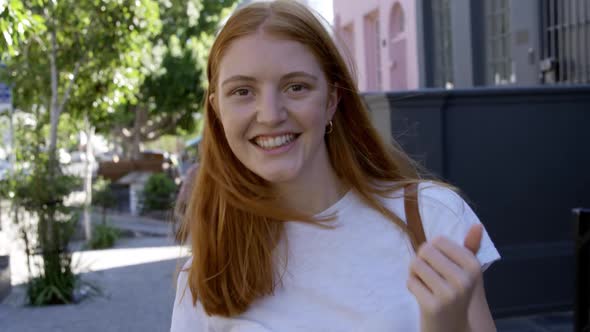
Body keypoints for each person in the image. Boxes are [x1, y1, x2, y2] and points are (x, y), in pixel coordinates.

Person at [171, 1, 500, 331]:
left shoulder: (432, 218)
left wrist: (447, 324)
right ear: (217, 110)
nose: (270, 114)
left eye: (296, 87)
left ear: (331, 100)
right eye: (243, 91)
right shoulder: (205, 275)